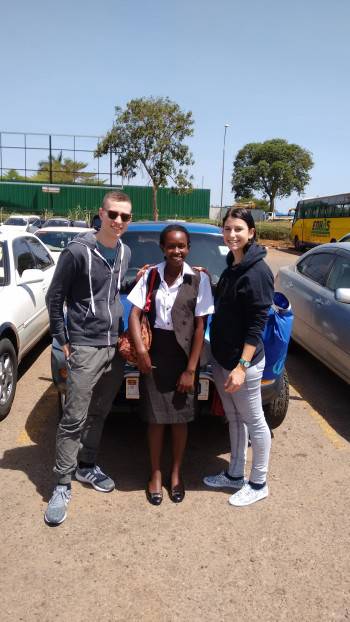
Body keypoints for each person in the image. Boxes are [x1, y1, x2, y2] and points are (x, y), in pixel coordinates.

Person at [44, 190, 132, 525]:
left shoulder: (124, 251)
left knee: (100, 411)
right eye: (113, 214)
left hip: (113, 347)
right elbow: (55, 297)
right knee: (73, 417)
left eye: (125, 216)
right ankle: (62, 483)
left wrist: (140, 276)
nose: (118, 221)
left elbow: (113, 288)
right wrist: (63, 339)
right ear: (101, 213)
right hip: (84, 346)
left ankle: (87, 466)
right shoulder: (78, 251)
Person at [127, 224, 214, 505]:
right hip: (154, 353)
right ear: (162, 248)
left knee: (180, 419)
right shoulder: (150, 276)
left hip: (184, 355)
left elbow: (201, 326)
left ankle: (176, 474)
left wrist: (191, 369)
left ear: (188, 248)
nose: (177, 251)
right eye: (171, 246)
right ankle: (155, 473)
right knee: (154, 418)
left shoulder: (199, 280)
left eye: (182, 246)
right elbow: (134, 313)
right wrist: (141, 352)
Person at [203, 207, 274, 507]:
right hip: (222, 356)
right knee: (233, 417)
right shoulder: (233, 263)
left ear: (251, 233)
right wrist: (207, 277)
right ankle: (234, 474)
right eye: (227, 228)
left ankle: (258, 482)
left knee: (255, 421)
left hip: (242, 362)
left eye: (238, 229)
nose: (232, 234)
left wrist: (242, 366)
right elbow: (229, 302)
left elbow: (257, 324)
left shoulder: (258, 272)